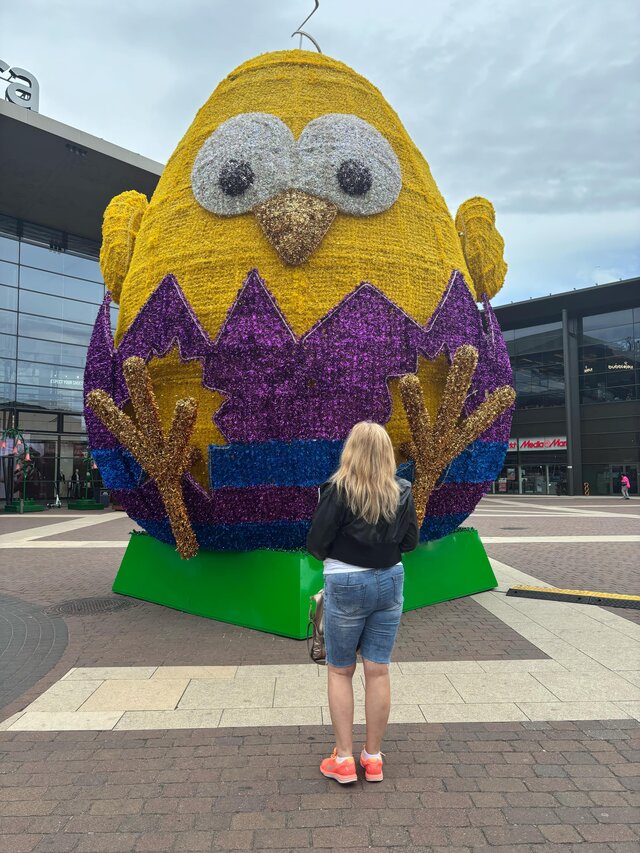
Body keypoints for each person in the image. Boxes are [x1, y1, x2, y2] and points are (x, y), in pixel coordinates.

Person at [306, 421, 419, 784]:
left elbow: (316, 544)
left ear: (351, 451)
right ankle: (372, 758)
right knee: (378, 669)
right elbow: (410, 542)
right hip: (390, 579)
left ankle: (343, 759)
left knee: (340, 670)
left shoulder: (337, 490)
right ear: (387, 453)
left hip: (346, 581)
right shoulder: (402, 490)